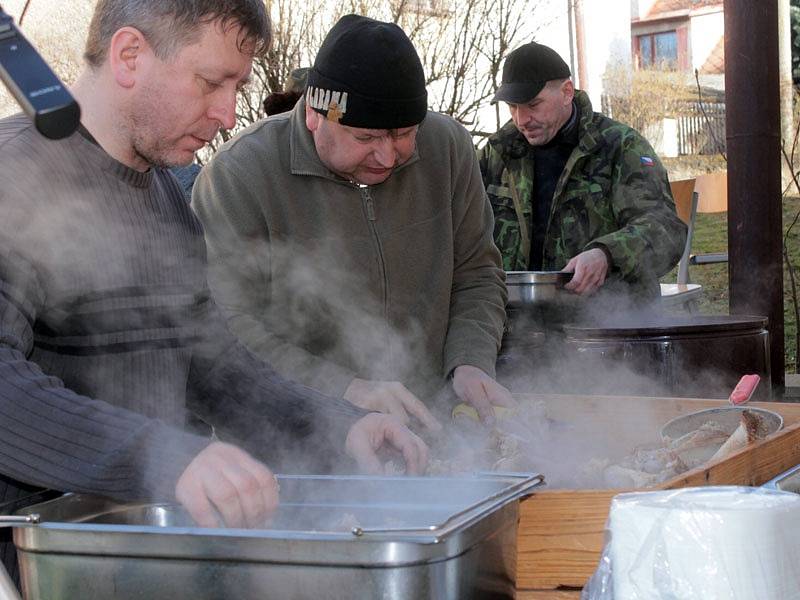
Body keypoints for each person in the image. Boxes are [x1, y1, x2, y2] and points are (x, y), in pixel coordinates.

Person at [0, 0, 429, 576]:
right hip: (34, 565)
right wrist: (164, 455)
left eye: (237, 86)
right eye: (210, 83)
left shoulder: (166, 196)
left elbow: (213, 366)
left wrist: (337, 425)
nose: (229, 114)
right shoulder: (17, 176)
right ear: (130, 55)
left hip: (142, 555)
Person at [192, 14, 512, 426]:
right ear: (313, 114)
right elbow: (227, 325)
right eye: (365, 138)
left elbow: (477, 271)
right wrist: (343, 389)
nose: (387, 156)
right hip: (299, 435)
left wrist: (471, 360)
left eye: (403, 134)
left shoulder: (448, 147)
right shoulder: (238, 176)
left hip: (435, 427)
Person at [479, 42, 686, 302]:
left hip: (609, 323)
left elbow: (666, 229)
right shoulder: (498, 154)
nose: (521, 119)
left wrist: (606, 254)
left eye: (533, 104)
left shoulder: (619, 147)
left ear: (567, 92)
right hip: (516, 325)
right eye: (513, 107)